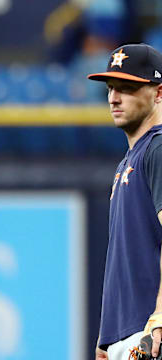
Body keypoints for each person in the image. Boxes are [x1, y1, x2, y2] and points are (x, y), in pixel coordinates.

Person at [88, 43, 162, 359]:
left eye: (127, 88)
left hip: (148, 330)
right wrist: (108, 337)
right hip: (127, 333)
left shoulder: (158, 149)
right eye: (111, 87)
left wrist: (159, 319)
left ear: (158, 93)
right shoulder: (132, 158)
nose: (113, 98)